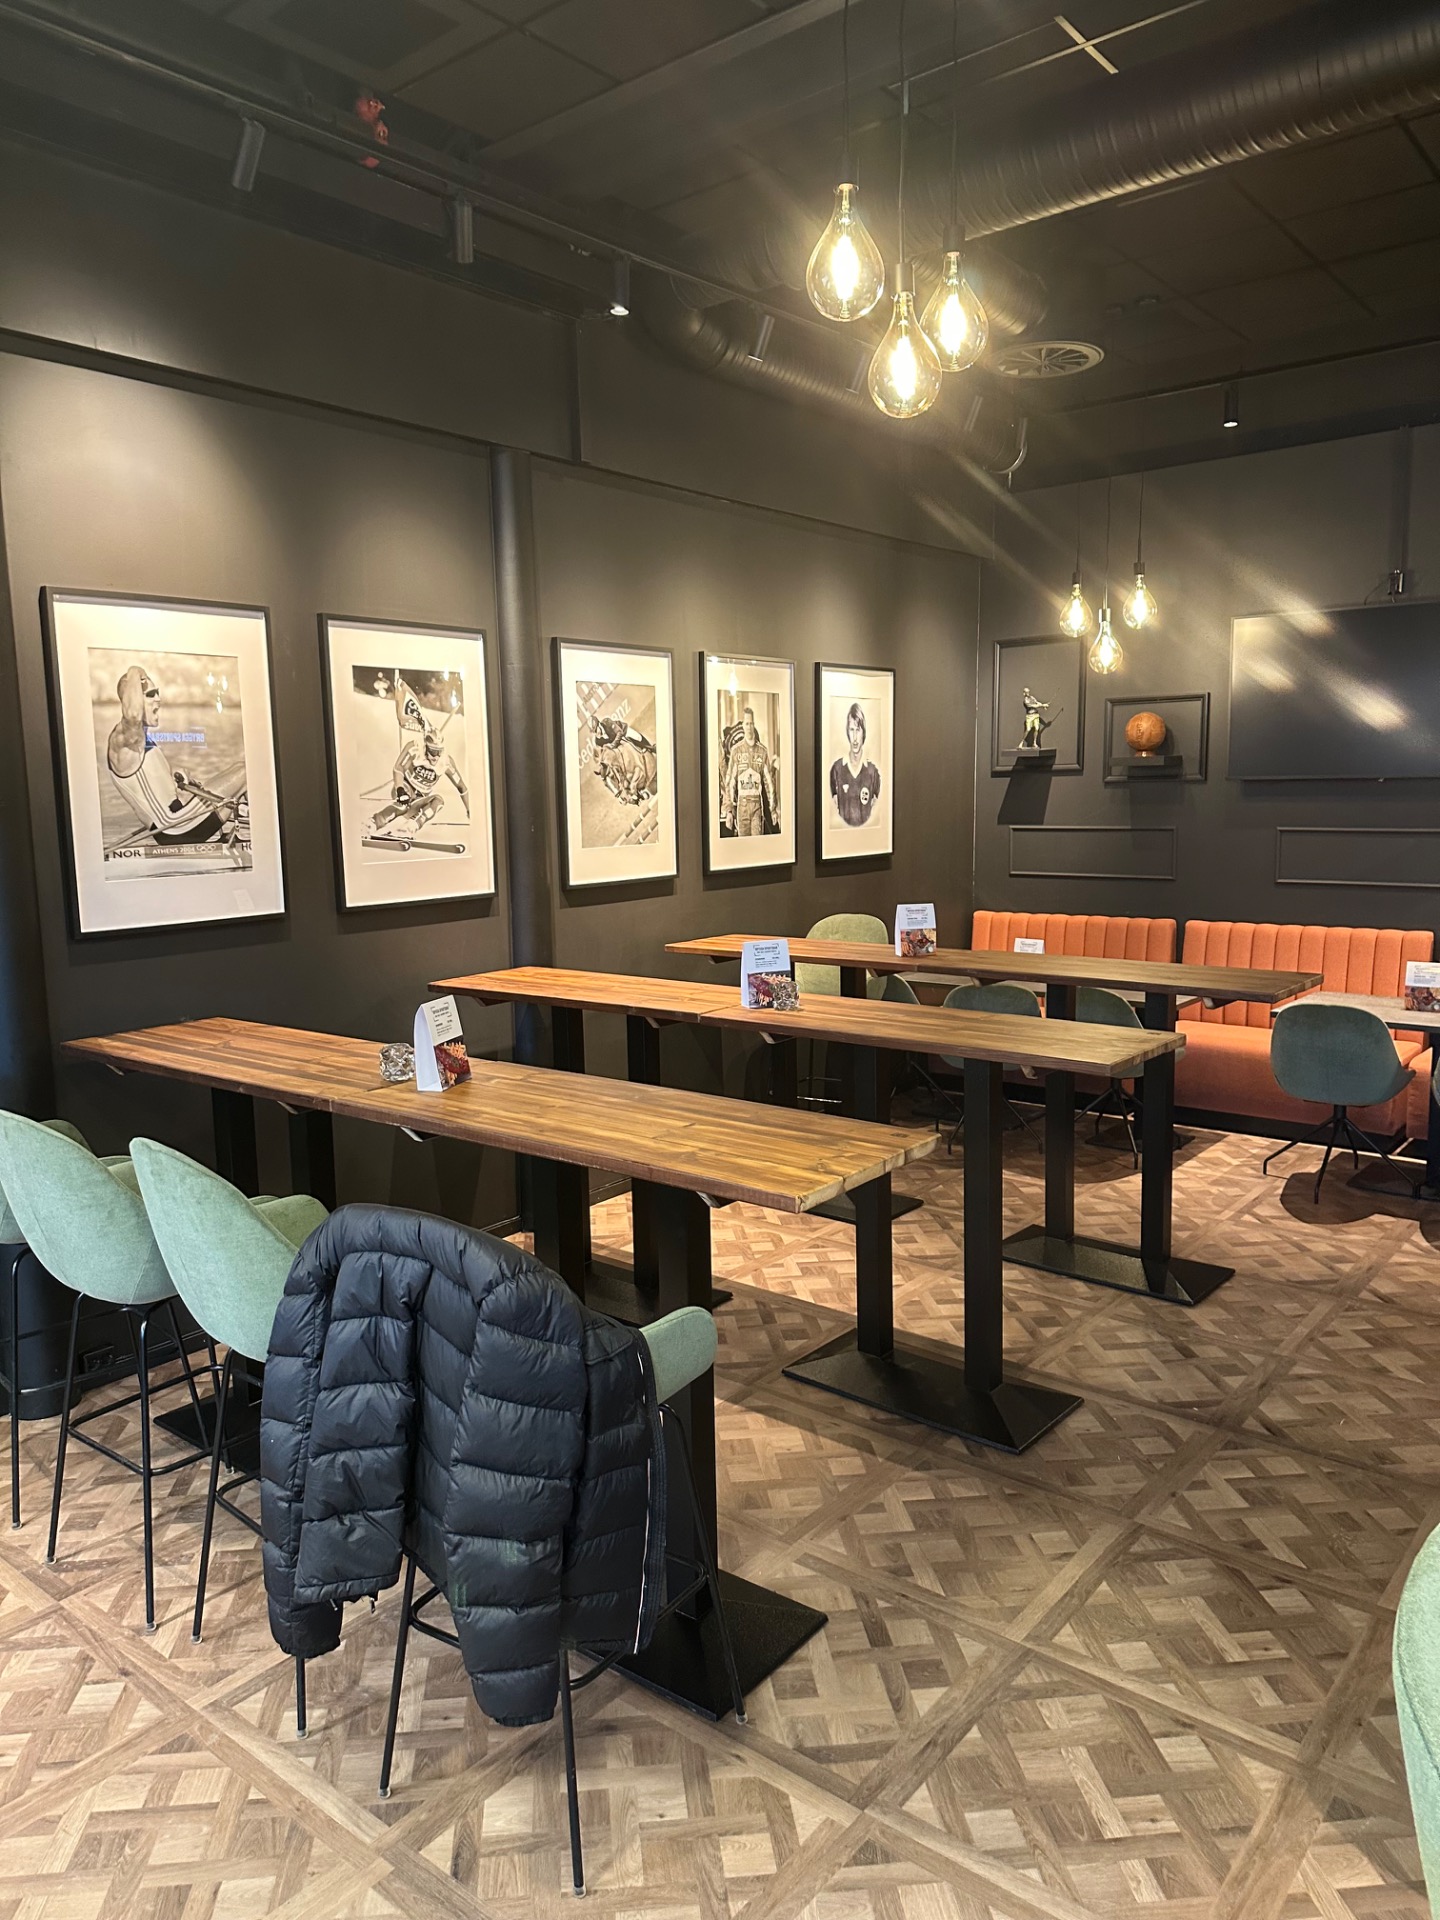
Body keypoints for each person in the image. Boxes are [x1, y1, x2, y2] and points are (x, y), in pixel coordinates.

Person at [106, 666, 232, 844]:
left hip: (180, 823)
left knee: (237, 772)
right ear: (135, 699)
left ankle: (241, 833)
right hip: (175, 827)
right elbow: (133, 715)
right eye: (151, 694)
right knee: (245, 772)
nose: (158, 699)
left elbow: (156, 786)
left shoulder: (144, 744)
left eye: (157, 692)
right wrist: (134, 671)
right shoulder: (124, 741)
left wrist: (174, 775)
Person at [369, 726, 469, 836]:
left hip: (419, 799)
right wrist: (400, 789)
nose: (435, 757)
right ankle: (373, 823)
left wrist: (469, 810)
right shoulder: (415, 749)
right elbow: (398, 768)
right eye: (433, 751)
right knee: (403, 805)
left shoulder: (446, 762)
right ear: (426, 747)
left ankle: (409, 828)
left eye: (439, 752)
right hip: (406, 787)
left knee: (438, 801)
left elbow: (462, 787)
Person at [721, 705, 779, 836]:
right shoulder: (736, 751)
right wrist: (729, 810)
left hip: (757, 805)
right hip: (742, 805)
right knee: (743, 843)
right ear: (743, 725)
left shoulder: (762, 751)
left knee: (757, 842)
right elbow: (730, 782)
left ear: (754, 725)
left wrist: (773, 809)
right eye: (747, 724)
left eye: (751, 723)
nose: (749, 727)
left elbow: (769, 783)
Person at [829, 701, 881, 828]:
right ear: (847, 732)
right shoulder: (836, 770)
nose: (855, 738)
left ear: (864, 733)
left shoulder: (873, 773)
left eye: (858, 730)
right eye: (851, 730)